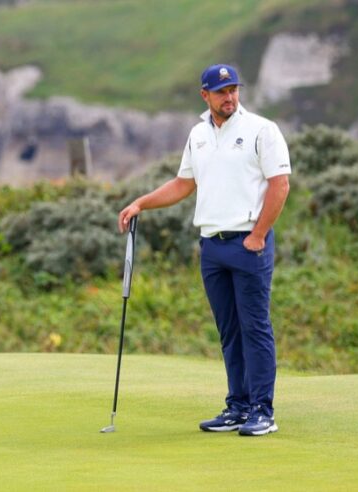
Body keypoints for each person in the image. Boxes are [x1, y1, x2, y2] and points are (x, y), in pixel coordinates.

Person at [117, 63, 291, 436]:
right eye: (221, 92)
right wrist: (141, 203)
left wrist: (259, 235)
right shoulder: (198, 134)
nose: (229, 97)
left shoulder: (262, 130)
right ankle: (238, 407)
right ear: (205, 95)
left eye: (233, 90)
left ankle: (262, 411)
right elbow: (183, 184)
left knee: (254, 327)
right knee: (229, 330)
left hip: (248, 244)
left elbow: (280, 184)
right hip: (212, 246)